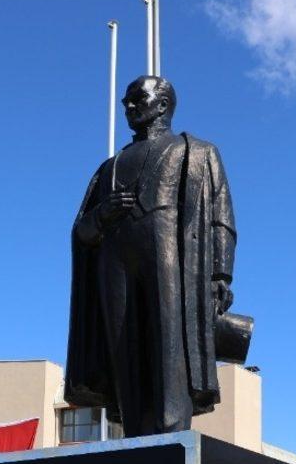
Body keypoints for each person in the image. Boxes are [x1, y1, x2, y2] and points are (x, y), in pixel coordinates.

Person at [65, 74, 238, 437]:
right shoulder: (109, 167)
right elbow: (81, 233)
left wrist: (221, 275)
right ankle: (134, 433)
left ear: (162, 105)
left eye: (135, 100)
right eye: (125, 102)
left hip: (173, 260)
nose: (127, 107)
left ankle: (171, 431)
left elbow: (221, 218)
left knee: (170, 344)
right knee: (122, 347)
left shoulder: (197, 153)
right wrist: (102, 215)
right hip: (115, 264)